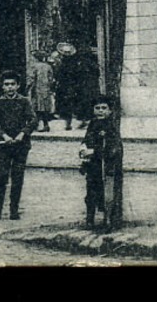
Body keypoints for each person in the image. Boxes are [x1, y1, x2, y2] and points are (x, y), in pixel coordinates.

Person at [0, 71, 37, 221]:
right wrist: (4, 136)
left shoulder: (24, 102)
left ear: (18, 86)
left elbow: (33, 120)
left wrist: (23, 133)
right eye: (6, 84)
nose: (10, 87)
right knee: (2, 176)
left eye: (12, 84)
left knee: (17, 177)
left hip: (21, 145)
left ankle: (14, 210)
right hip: (4, 145)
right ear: (2, 87)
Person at [79, 94, 123, 229]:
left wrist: (94, 151)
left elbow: (113, 148)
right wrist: (83, 147)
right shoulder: (93, 124)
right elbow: (87, 139)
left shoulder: (111, 126)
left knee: (108, 195)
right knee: (91, 193)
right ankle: (90, 219)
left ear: (110, 111)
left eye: (104, 108)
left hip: (108, 166)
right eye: (97, 108)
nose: (100, 111)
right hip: (93, 166)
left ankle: (110, 220)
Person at [52, 40, 82, 130]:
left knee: (65, 104)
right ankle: (68, 122)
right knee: (69, 103)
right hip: (71, 86)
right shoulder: (74, 63)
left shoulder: (62, 64)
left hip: (64, 86)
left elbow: (58, 75)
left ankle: (67, 122)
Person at [27, 49, 55, 132]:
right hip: (46, 89)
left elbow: (31, 78)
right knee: (44, 108)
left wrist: (28, 88)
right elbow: (51, 78)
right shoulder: (48, 66)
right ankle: (44, 125)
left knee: (37, 108)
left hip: (37, 89)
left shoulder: (34, 66)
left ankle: (37, 124)